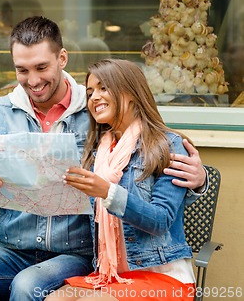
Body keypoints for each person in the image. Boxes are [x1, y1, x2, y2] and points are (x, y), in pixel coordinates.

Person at [0, 16, 207, 301]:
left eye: (41, 67)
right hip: (11, 247)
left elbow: (145, 153)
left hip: (74, 252)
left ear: (62, 58)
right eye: (22, 70)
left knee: (28, 285)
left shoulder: (97, 115)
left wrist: (199, 181)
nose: (33, 80)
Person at [46, 59, 198, 301]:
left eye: (103, 87)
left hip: (163, 274)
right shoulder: (96, 151)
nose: (94, 97)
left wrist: (108, 192)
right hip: (111, 274)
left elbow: (160, 220)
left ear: (131, 93)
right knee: (54, 299)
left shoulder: (167, 146)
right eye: (90, 92)